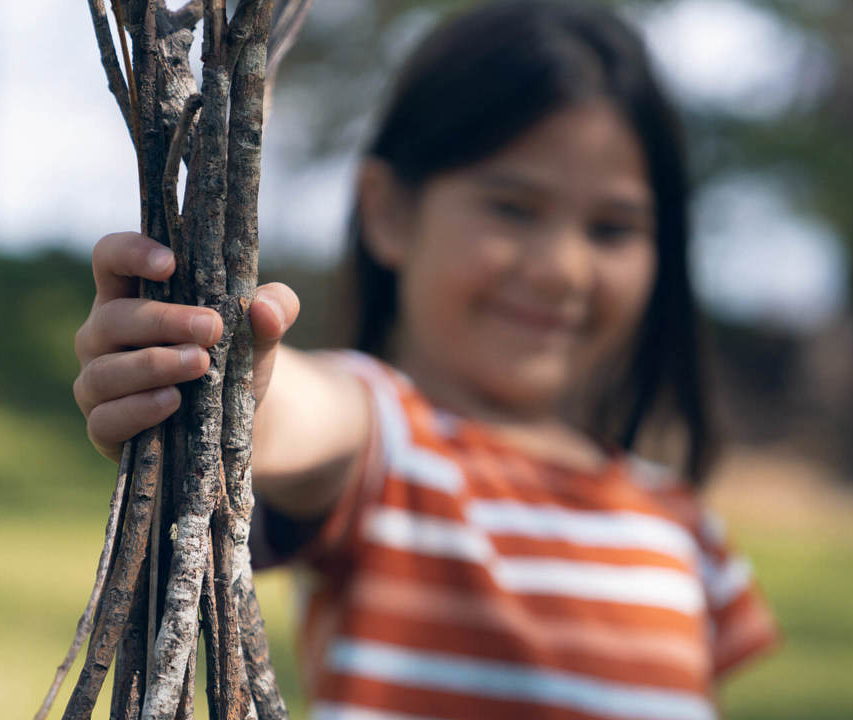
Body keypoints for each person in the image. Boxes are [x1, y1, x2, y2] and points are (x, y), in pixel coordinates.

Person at [71, 1, 779, 717]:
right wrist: (215, 373)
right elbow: (300, 413)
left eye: (613, 228)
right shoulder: (388, 442)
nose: (564, 269)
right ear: (391, 213)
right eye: (513, 208)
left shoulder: (684, 532)